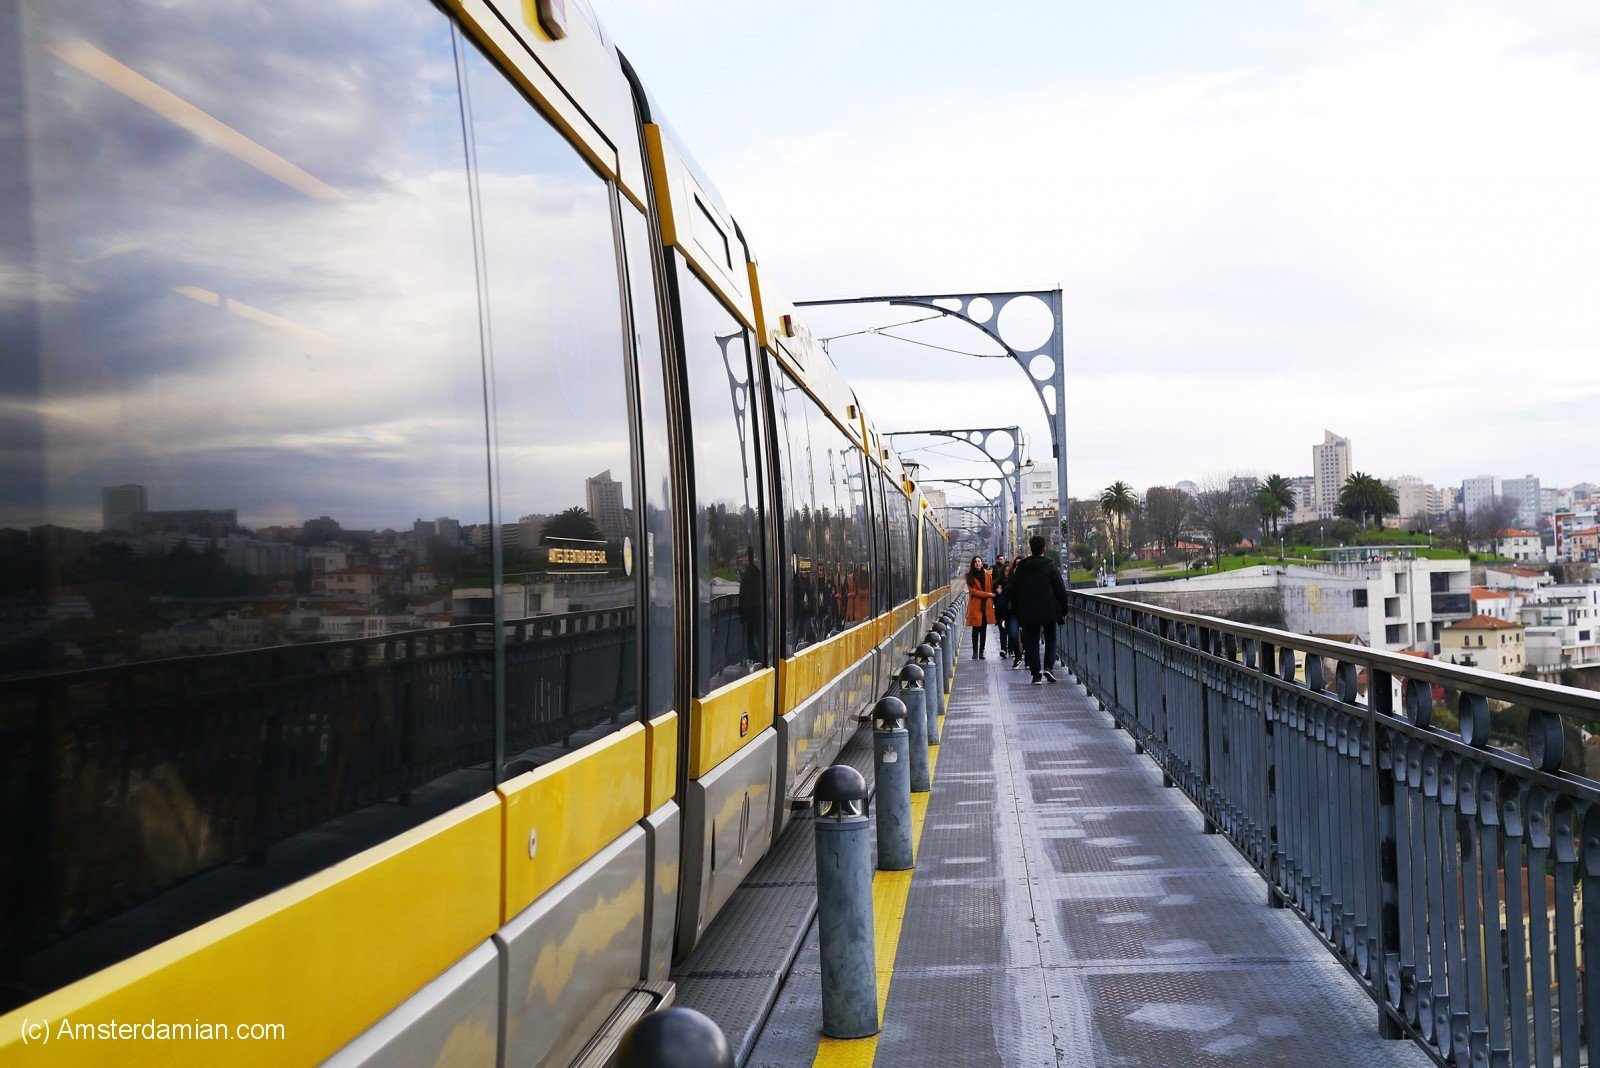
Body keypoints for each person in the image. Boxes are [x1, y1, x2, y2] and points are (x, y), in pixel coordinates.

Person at [1007, 535, 1070, 684]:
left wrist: (1017, 612)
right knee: (1051, 637)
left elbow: (1013, 591)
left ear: (1030, 548)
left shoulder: (1021, 568)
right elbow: (1060, 591)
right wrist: (1064, 610)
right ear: (1044, 548)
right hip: (1049, 610)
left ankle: (1036, 675)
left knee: (1032, 641)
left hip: (1028, 612)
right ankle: (1048, 666)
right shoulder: (1050, 566)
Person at [963, 555, 994, 659]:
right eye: (975, 561)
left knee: (983, 630)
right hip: (976, 606)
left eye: (979, 561)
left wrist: (990, 595)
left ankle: (981, 652)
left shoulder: (987, 574)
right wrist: (987, 594)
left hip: (986, 606)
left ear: (981, 563)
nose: (977, 563)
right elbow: (973, 592)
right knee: (975, 630)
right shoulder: (969, 576)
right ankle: (975, 652)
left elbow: (991, 587)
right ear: (973, 564)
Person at [991, 554, 1012, 658]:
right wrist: (997, 593)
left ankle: (1011, 649)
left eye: (1008, 571)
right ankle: (1003, 649)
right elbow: (994, 596)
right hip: (1001, 610)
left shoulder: (1013, 582)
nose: (1007, 573)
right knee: (1003, 630)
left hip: (1011, 610)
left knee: (1011, 630)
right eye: (1005, 571)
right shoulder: (997, 583)